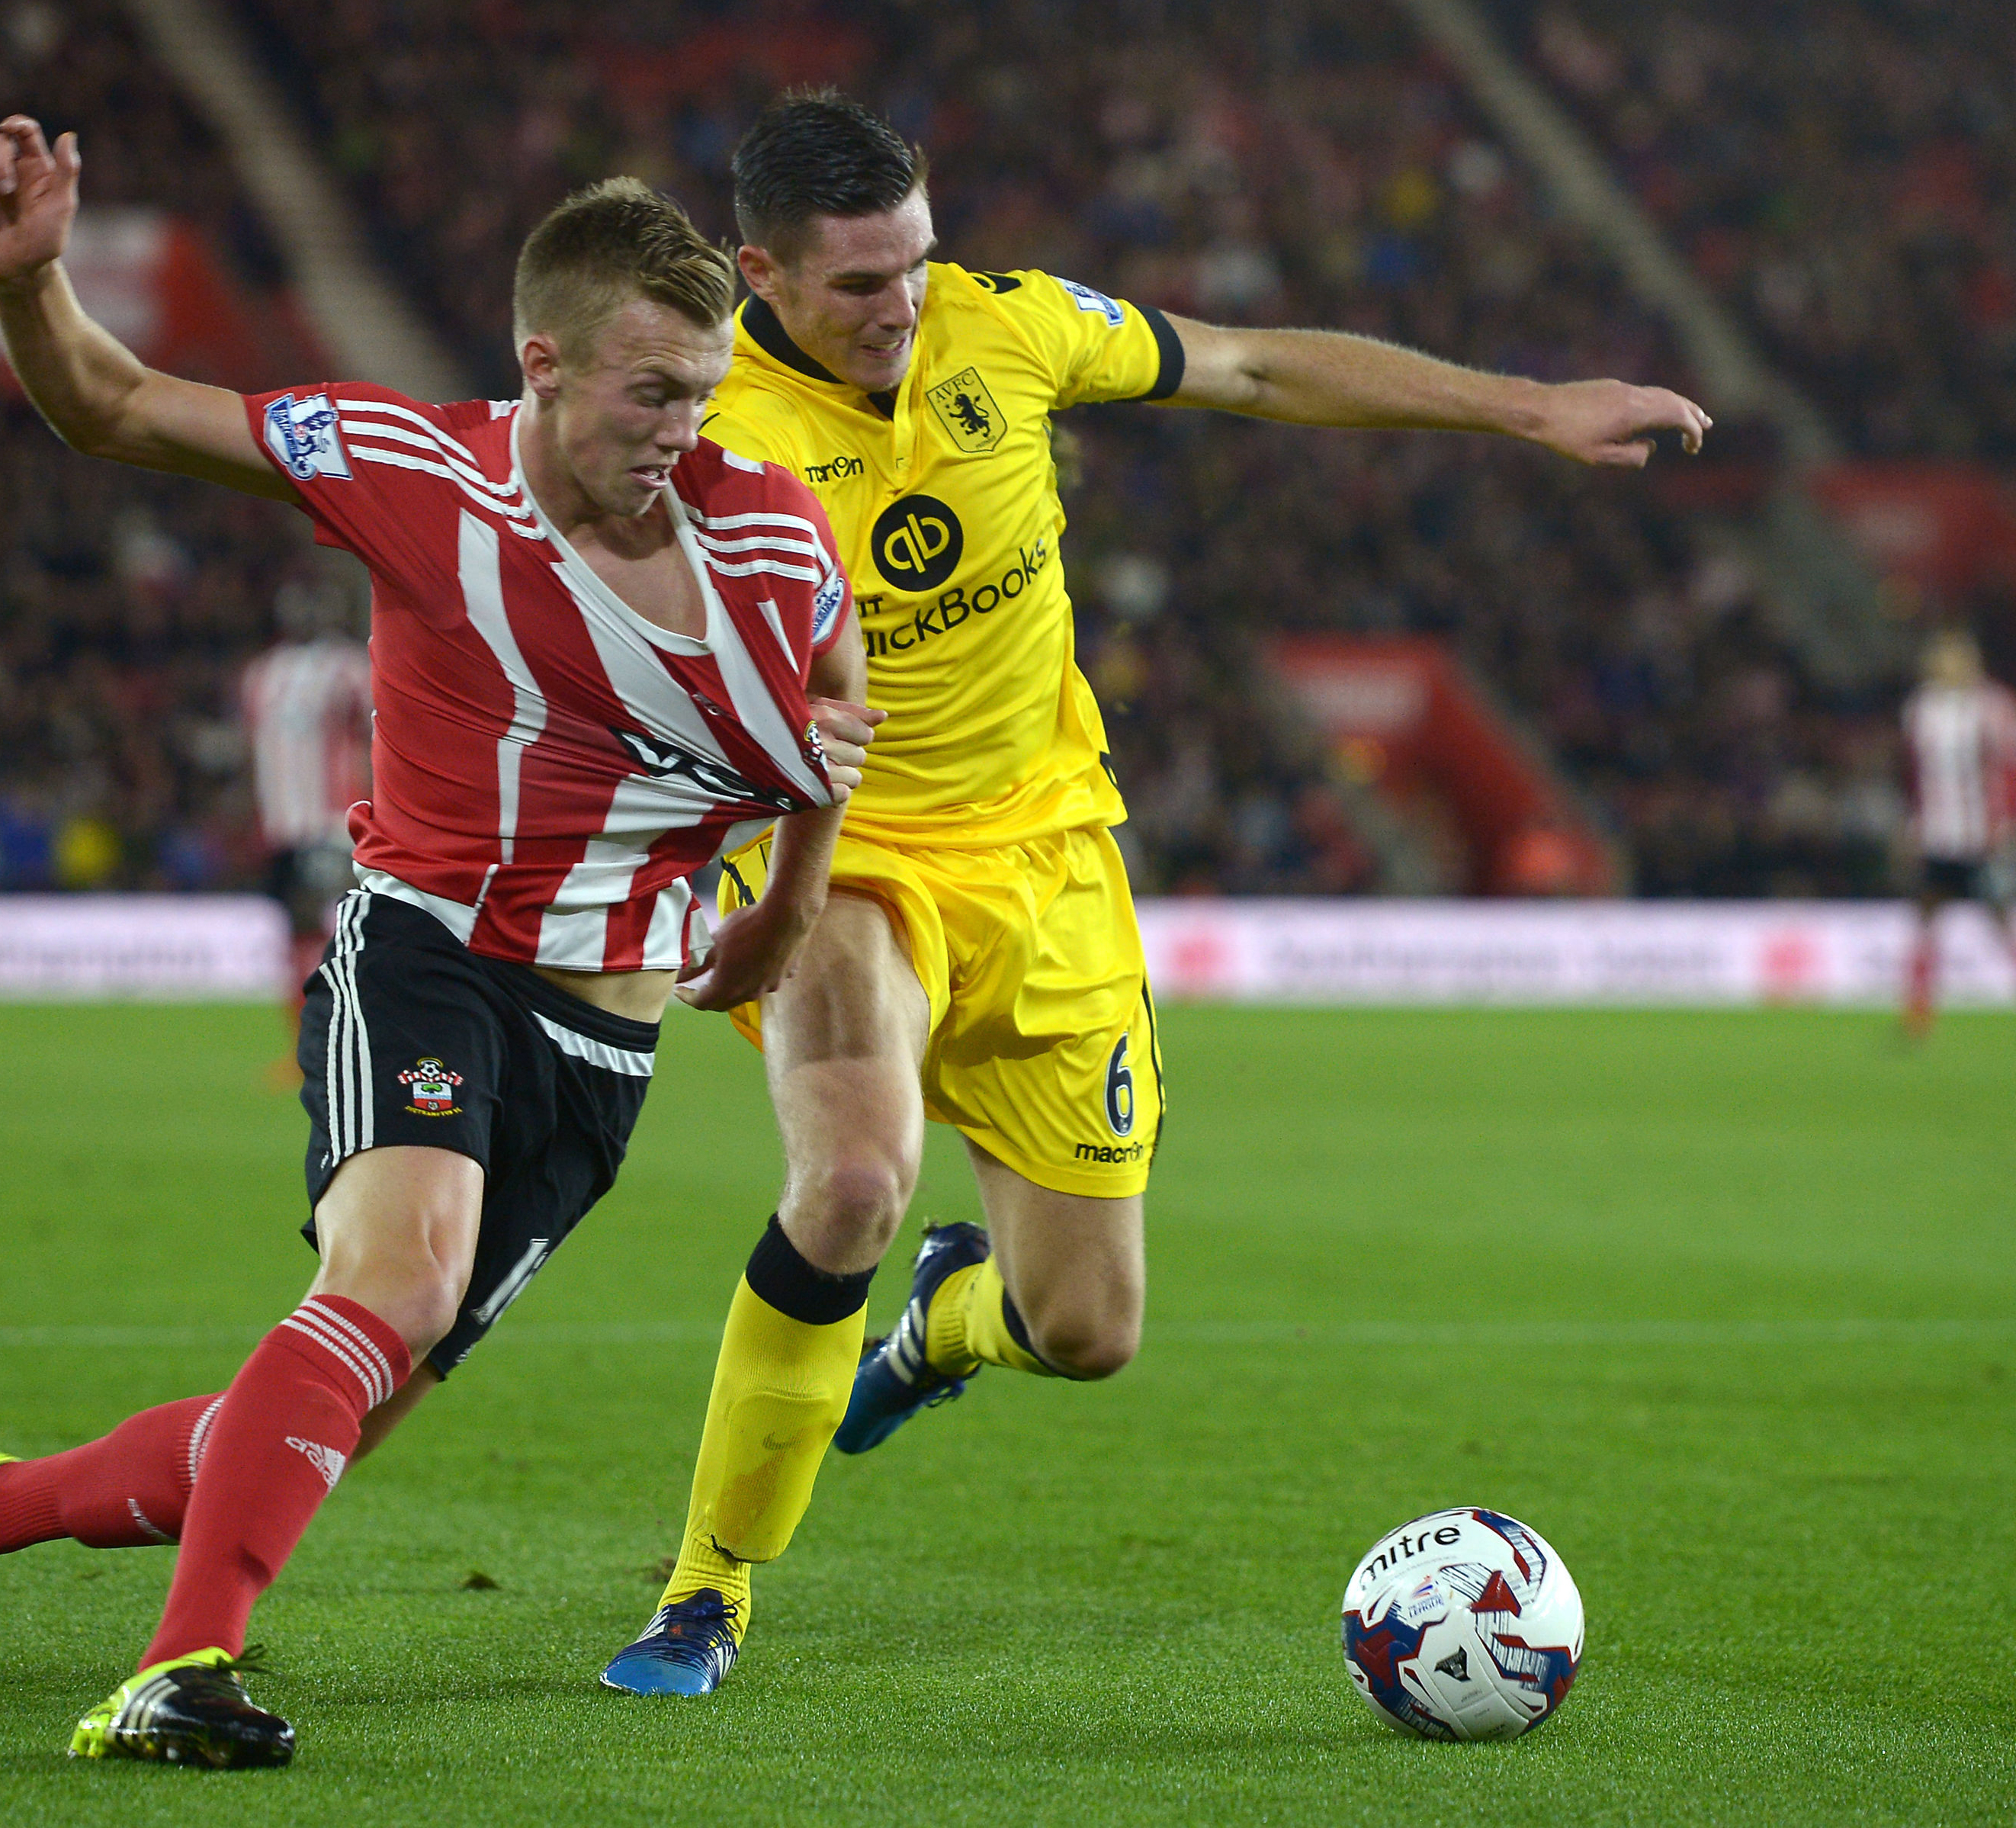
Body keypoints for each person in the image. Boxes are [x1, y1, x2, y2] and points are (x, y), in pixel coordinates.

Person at [0, 117, 875, 1768]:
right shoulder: (409, 470)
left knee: (287, 1430)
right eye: (651, 391)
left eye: (704, 392)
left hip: (606, 1047)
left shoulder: (773, 530)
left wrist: (787, 904)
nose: (682, 429)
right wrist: (32, 279)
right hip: (432, 954)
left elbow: (836, 712)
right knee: (397, 1280)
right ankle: (177, 1670)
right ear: (543, 364)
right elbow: (116, 404)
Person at [602, 92, 1711, 1697]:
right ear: (756, 270)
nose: (900, 302)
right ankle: (704, 1594)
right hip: (845, 858)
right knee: (850, 1179)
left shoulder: (1014, 326)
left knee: (1084, 1327)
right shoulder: (699, 418)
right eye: (856, 283)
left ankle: (930, 1336)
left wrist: (1530, 409)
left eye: (913, 261)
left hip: (1050, 859)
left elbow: (1253, 363)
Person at [242, 554, 372, 1010]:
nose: (306, 615)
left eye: (315, 605)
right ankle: (300, 1040)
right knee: (294, 930)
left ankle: (340, 1029)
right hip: (282, 827)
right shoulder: (261, 674)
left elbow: (380, 736)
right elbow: (257, 751)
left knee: (335, 929)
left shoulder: (353, 668)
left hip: (332, 821)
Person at [1901, 628, 2016, 1039]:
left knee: (2001, 919)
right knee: (1925, 920)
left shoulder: (1994, 707)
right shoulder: (1921, 708)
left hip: (1982, 837)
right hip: (1937, 835)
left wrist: (2005, 824)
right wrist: (1913, 821)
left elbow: (2008, 770)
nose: (1950, 666)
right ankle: (1919, 1011)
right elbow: (1914, 774)